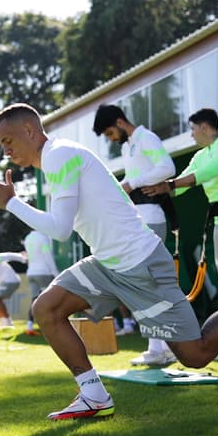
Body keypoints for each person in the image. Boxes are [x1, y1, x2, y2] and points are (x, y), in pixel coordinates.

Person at [0, 103, 218, 420]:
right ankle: (94, 396)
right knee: (46, 309)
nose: (6, 151)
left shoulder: (59, 155)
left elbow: (59, 230)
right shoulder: (56, 157)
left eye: (8, 142)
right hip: (108, 264)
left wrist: (11, 203)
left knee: (196, 355)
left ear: (29, 130)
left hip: (141, 265)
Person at [142, 108, 218, 362]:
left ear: (205, 127)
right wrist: (161, 190)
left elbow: (209, 172)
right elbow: (184, 181)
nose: (191, 135)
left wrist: (171, 185)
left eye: (193, 129)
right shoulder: (199, 155)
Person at [93, 104, 177, 366]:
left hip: (152, 215)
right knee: (144, 284)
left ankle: (162, 347)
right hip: (137, 218)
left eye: (109, 132)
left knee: (149, 284)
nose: (110, 138)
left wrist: (132, 183)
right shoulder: (128, 146)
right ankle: (158, 347)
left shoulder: (146, 138)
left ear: (119, 121)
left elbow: (167, 167)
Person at [23, 229, 58, 335]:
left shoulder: (27, 238)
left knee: (34, 299)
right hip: (43, 272)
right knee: (49, 300)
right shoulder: (43, 238)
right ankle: (50, 325)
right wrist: (55, 272)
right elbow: (47, 255)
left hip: (31, 273)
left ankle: (30, 326)